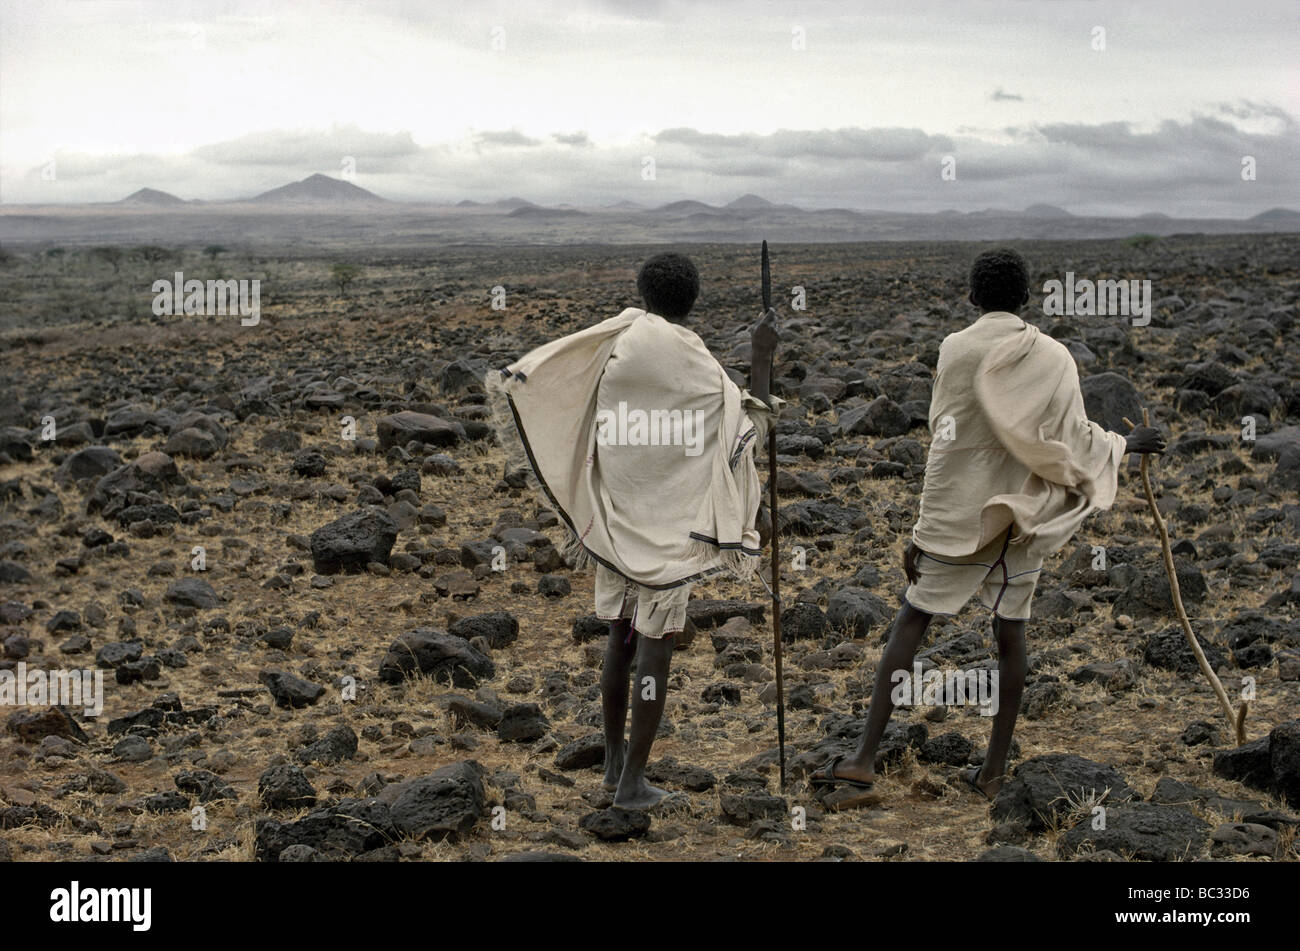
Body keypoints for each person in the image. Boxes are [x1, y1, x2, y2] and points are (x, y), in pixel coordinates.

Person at [814, 247, 1166, 800]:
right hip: (1025, 515)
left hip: (963, 515)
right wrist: (1124, 445)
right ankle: (993, 772)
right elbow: (1072, 437)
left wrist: (920, 532)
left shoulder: (956, 348)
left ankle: (862, 759)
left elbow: (945, 443)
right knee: (1011, 635)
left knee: (912, 621)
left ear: (972, 297)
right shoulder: (1054, 356)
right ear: (1026, 298)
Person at [489, 252, 780, 809]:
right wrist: (762, 359)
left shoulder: (616, 342)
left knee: (618, 640)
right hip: (669, 530)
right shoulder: (697, 362)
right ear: (692, 302)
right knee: (655, 648)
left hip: (616, 520)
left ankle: (613, 765)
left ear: (643, 294)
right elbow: (748, 430)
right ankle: (632, 787)